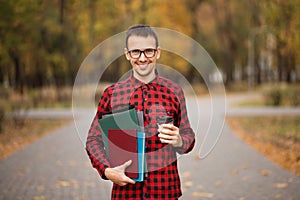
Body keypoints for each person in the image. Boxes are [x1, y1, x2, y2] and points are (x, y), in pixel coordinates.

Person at [86, 24, 195, 200]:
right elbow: (93, 139)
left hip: (165, 191)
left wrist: (180, 140)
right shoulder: (112, 94)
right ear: (127, 54)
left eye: (148, 51)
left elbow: (188, 136)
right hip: (126, 194)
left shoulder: (174, 92)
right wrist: (107, 170)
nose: (142, 58)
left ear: (157, 52)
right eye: (136, 52)